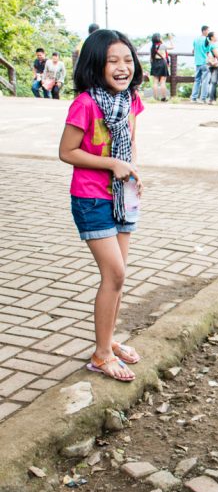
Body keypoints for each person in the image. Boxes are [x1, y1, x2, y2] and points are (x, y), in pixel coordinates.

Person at [58, 29, 145, 382]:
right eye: (113, 61)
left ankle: (108, 341)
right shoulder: (85, 104)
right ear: (97, 65)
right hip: (91, 197)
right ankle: (101, 354)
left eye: (127, 59)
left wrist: (133, 172)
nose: (123, 67)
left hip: (123, 197)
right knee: (116, 274)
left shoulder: (132, 100)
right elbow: (67, 152)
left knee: (118, 277)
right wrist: (113, 165)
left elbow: (132, 140)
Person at [202, 31, 218, 103]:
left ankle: (211, 98)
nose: (217, 36)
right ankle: (211, 99)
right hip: (215, 65)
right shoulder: (213, 45)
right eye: (216, 35)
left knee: (211, 82)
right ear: (212, 37)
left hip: (209, 65)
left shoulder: (208, 45)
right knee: (213, 83)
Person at [149, 33, 170, 101]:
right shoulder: (162, 46)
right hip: (162, 63)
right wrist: (170, 39)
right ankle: (163, 97)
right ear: (159, 38)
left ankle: (155, 97)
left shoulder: (152, 47)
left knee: (155, 81)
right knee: (162, 81)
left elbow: (151, 58)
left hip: (155, 63)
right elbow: (172, 47)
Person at [191, 25, 209, 102]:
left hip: (197, 62)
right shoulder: (207, 40)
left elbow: (193, 50)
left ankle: (193, 98)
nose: (208, 32)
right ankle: (203, 98)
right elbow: (208, 52)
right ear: (204, 31)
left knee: (197, 80)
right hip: (205, 62)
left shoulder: (195, 39)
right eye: (208, 30)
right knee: (205, 81)